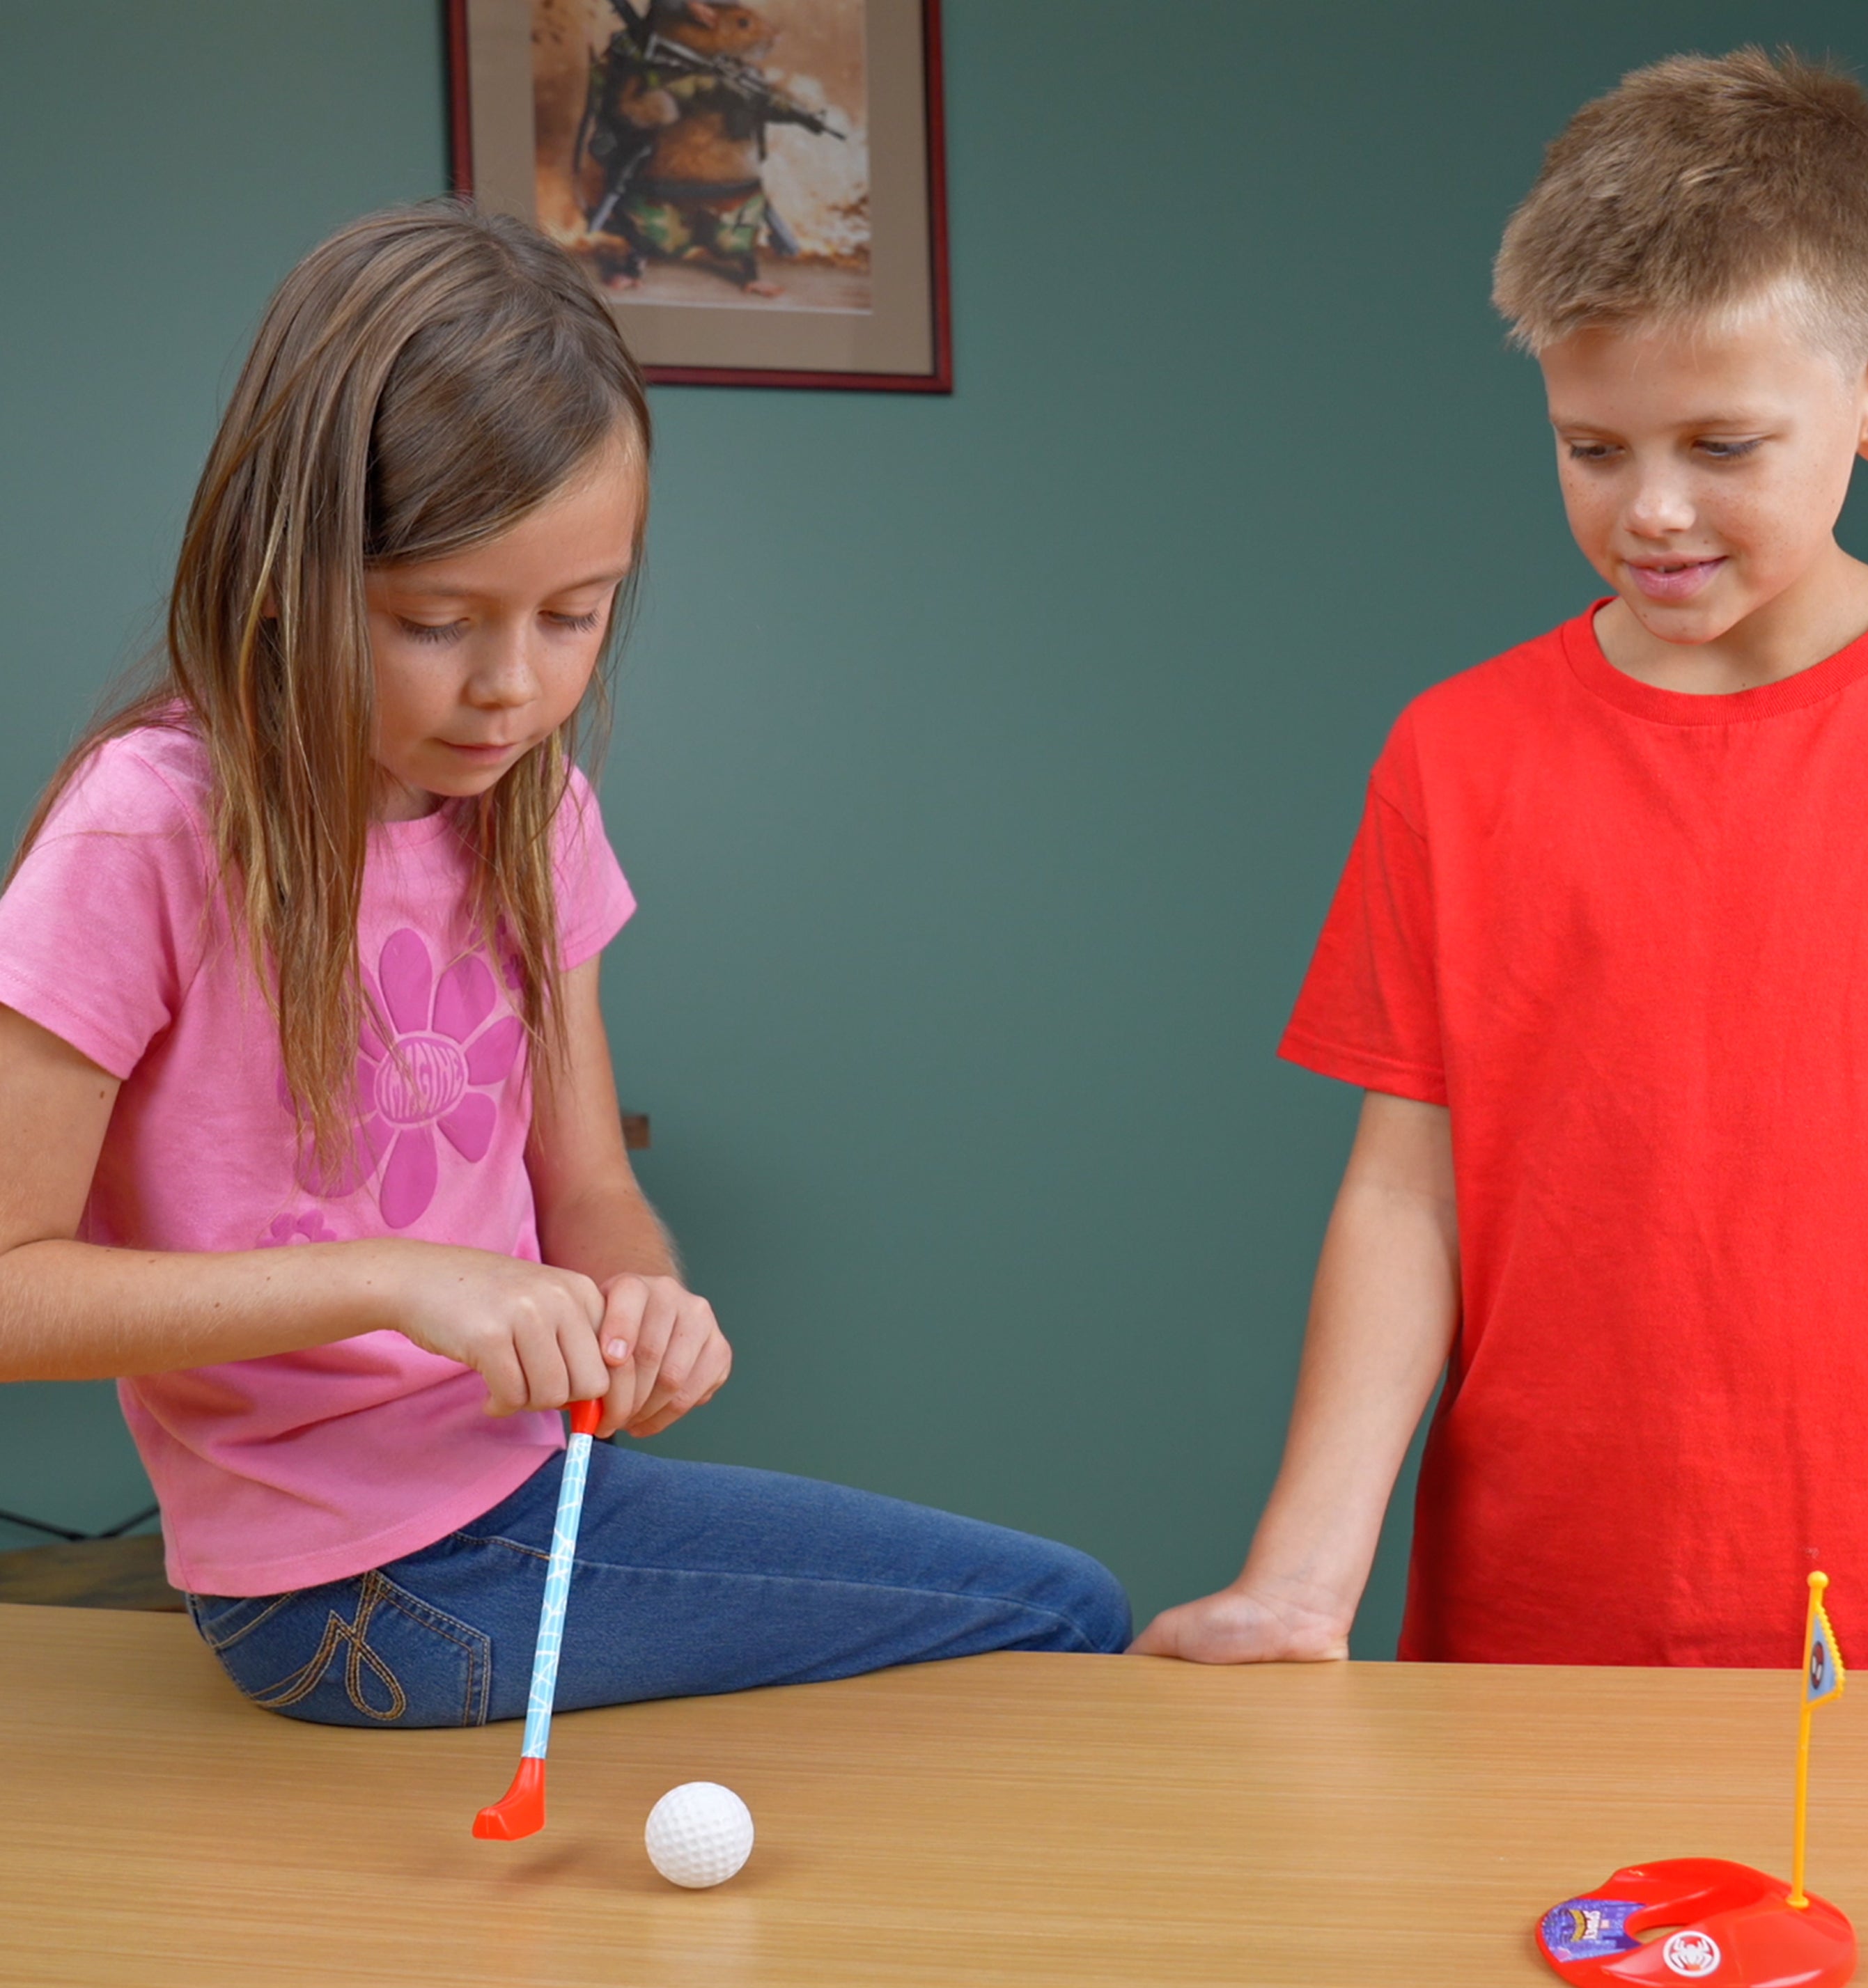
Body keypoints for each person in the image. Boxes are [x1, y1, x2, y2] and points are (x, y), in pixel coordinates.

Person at [0, 200, 1128, 1728]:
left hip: (522, 1493)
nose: (509, 687)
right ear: (283, 566)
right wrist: (397, 1279)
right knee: (1066, 1616)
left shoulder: (538, 823)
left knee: (1042, 1621)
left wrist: (647, 1305)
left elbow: (590, 1195)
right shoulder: (146, 828)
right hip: (355, 1587)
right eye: (436, 621)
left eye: (573, 616)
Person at [1134, 49, 1868, 1673]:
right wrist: (1304, 1577)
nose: (1651, 509)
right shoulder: (1458, 752)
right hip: (1542, 1618)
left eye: (1722, 447)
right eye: (1593, 448)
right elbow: (1406, 1191)